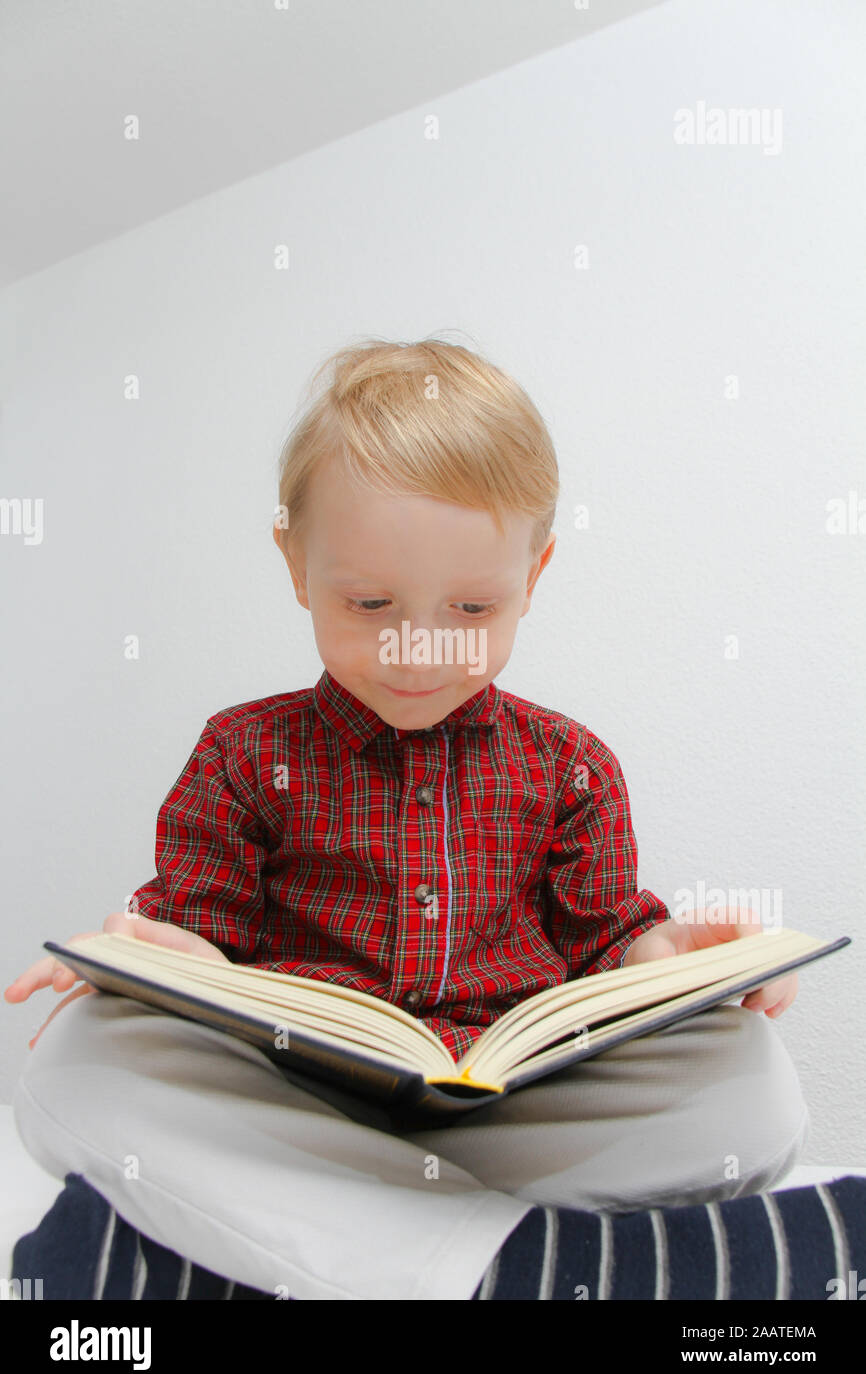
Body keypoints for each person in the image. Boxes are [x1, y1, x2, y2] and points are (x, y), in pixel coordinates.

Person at [5, 338, 820, 1301]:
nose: (420, 645)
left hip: (515, 1113)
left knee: (752, 1082)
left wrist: (680, 959)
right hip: (293, 1103)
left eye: (473, 606)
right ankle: (518, 1264)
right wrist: (142, 964)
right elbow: (199, 941)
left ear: (537, 572)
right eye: (372, 602)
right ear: (296, 565)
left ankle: (287, 1250)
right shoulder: (239, 752)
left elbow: (611, 947)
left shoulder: (571, 764)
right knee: (74, 1062)